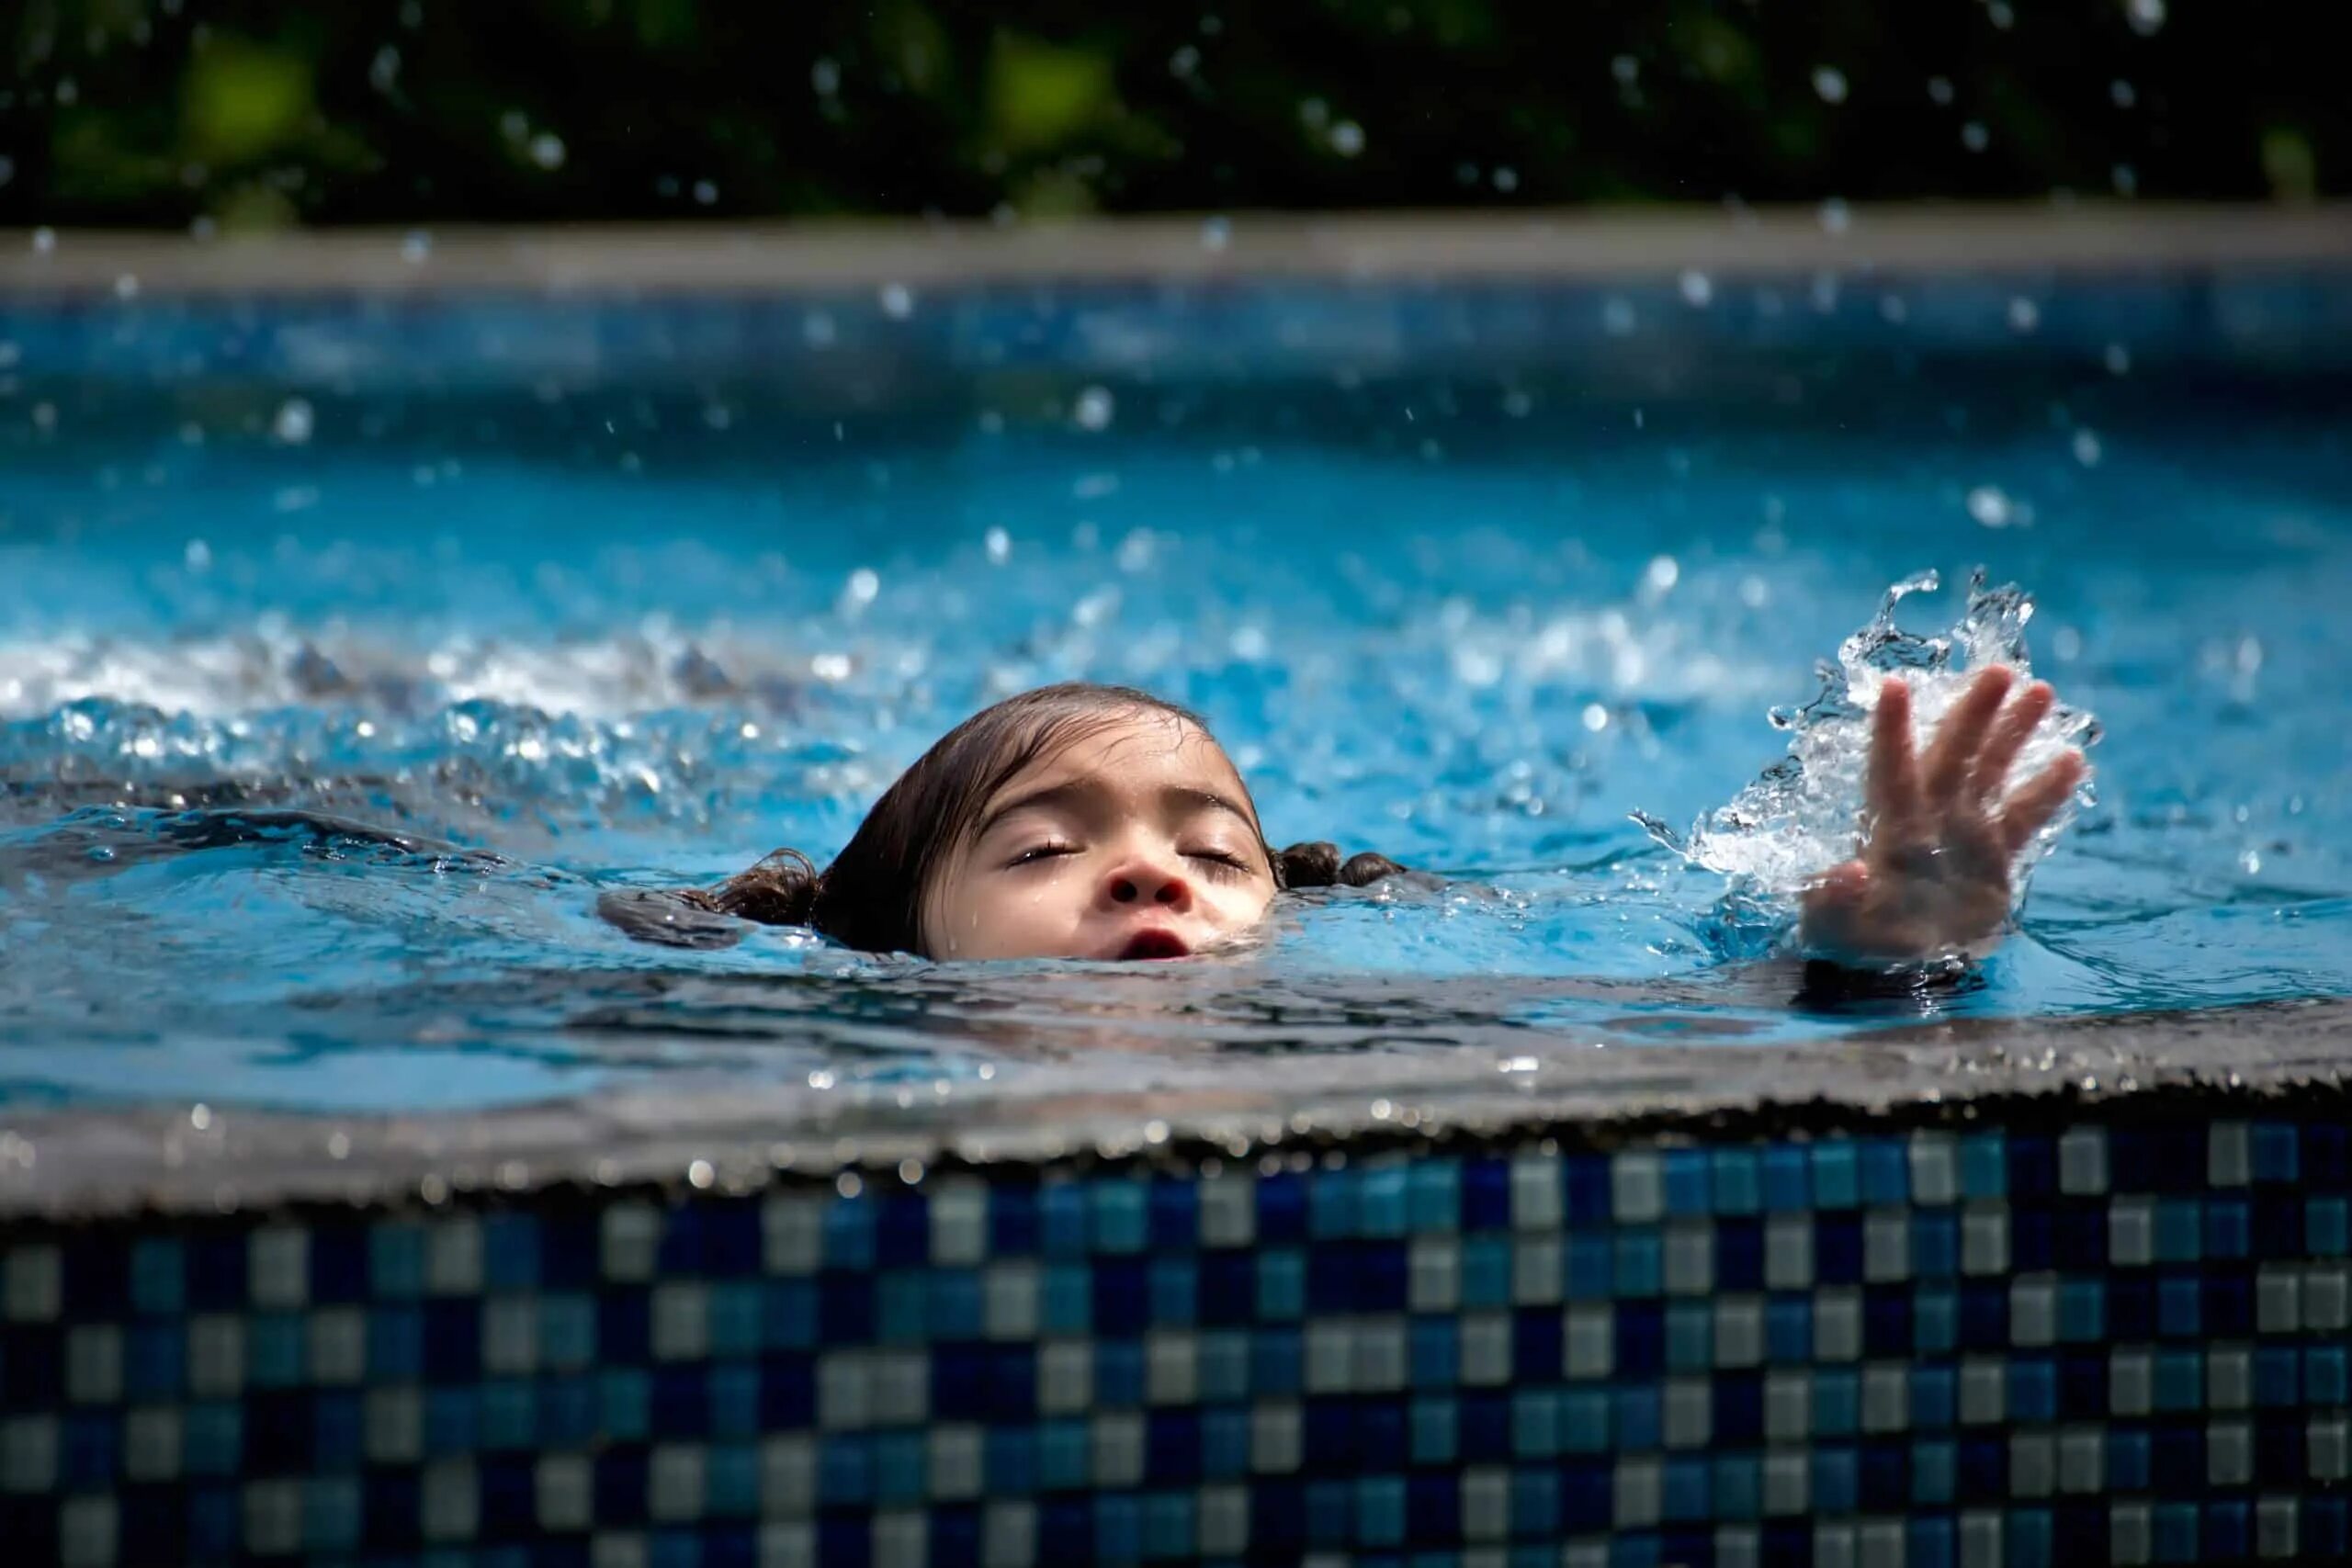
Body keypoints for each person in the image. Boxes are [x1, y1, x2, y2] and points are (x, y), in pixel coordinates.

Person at [610, 670, 2086, 969]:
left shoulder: (1380, 1028)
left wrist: (1893, 957)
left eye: (1212, 853)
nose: (1148, 871)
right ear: (896, 941)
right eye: (1048, 847)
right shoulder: (811, 1044)